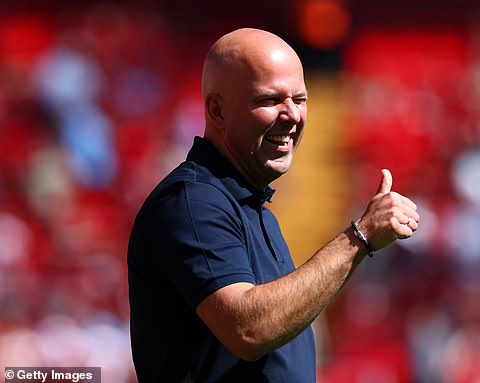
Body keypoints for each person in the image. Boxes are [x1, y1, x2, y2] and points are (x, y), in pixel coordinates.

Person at [127, 27, 420, 383]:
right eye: (269, 100)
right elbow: (249, 330)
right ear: (217, 110)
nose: (292, 115)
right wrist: (361, 236)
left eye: (299, 99)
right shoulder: (192, 202)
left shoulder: (250, 205)